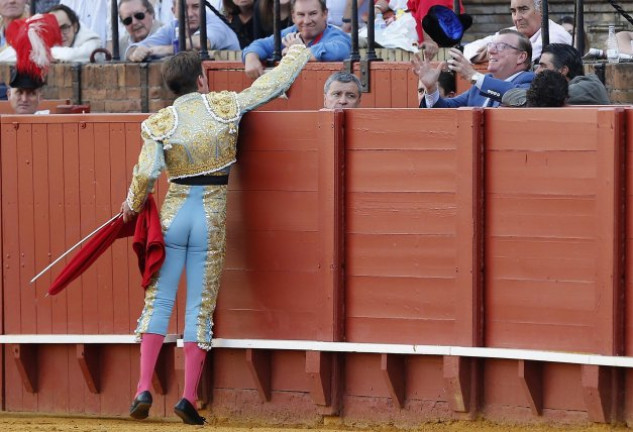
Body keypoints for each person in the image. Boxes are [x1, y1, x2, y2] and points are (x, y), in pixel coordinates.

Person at [121, 44, 311, 425]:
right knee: (199, 307)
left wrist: (132, 204)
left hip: (175, 214)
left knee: (158, 302)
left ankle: (143, 387)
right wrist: (296, 55)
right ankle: (188, 397)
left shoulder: (161, 122)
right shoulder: (223, 106)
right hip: (210, 214)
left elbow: (146, 173)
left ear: (171, 88)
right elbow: (271, 86)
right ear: (201, 81)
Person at [415, 28, 534, 108]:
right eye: (491, 45)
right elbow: (445, 108)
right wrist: (431, 89)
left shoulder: (531, 81)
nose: (491, 51)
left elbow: (518, 96)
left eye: (501, 46)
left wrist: (474, 76)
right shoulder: (479, 86)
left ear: (521, 57)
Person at [242, 0, 351, 79]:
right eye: (301, 15)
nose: (307, 20)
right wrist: (251, 57)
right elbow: (261, 45)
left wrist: (298, 51)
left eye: (313, 14)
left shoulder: (335, 35)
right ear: (293, 17)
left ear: (324, 14)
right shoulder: (290, 32)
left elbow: (340, 50)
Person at [126, 0, 240, 62]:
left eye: (195, 6)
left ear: (203, 7)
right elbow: (134, 48)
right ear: (174, 11)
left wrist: (159, 50)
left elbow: (200, 43)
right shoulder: (173, 26)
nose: (190, 14)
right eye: (184, 8)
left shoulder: (215, 22)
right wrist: (134, 53)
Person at [463, 0, 571, 64]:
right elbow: (469, 49)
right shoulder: (511, 32)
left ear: (542, 10)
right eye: (513, 11)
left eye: (523, 9)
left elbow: (531, 58)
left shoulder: (557, 34)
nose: (517, 18)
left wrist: (492, 52)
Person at [536, 43, 610, 105]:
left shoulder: (587, 87)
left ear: (563, 70)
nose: (537, 71)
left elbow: (542, 98)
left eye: (543, 66)